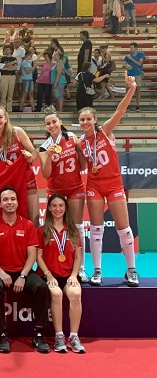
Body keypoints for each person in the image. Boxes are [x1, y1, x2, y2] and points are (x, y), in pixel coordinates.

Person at [77, 72, 139, 287]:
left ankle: (131, 270)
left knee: (124, 228)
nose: (85, 122)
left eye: (88, 119)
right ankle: (97, 271)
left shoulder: (105, 132)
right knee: (96, 229)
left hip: (113, 184)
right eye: (82, 120)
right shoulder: (80, 143)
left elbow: (120, 110)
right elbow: (80, 163)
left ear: (95, 120)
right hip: (94, 185)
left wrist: (131, 89)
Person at [0, 186, 50, 353]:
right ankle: (2, 334)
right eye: (5, 200)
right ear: (0, 204)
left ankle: (38, 333)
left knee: (42, 287)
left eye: (13, 199)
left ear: (18, 202)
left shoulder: (27, 225)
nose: (10, 202)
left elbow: (32, 254)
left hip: (22, 271)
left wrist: (22, 275)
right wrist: (1, 273)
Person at [39, 112, 88, 282]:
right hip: (55, 191)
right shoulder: (44, 147)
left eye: (54, 121)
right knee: (52, 228)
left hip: (75, 187)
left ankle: (81, 268)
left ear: (60, 122)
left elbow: (83, 165)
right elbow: (46, 174)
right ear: (45, 127)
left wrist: (80, 150)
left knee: (77, 227)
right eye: (48, 123)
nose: (52, 125)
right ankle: (51, 267)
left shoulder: (72, 137)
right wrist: (49, 157)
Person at [36, 194, 85, 353]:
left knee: (75, 294)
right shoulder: (42, 230)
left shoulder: (73, 230)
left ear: (65, 208)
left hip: (68, 275)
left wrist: (74, 275)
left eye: (61, 206)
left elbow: (78, 257)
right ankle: (59, 336)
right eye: (54, 206)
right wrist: (48, 274)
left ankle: (74, 336)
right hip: (49, 275)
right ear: (49, 209)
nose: (58, 209)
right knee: (56, 294)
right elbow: (38, 257)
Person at [0, 106, 39, 225]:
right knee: (9, 219)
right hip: (6, 181)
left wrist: (30, 157)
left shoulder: (17, 132)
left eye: (0, 117)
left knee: (34, 221)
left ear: (6, 119)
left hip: (25, 178)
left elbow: (34, 153)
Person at [124, 42, 145, 111]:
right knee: (128, 91)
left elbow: (139, 64)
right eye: (130, 48)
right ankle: (127, 106)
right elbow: (123, 64)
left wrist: (131, 58)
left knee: (138, 90)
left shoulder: (141, 54)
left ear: (136, 48)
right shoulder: (127, 56)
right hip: (129, 74)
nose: (130, 49)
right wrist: (126, 66)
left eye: (132, 48)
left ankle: (137, 106)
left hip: (137, 74)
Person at [0, 45, 18, 113]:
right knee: (3, 93)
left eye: (8, 49)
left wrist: (6, 68)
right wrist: (9, 66)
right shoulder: (2, 58)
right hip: (4, 76)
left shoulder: (14, 58)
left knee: (10, 93)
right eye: (5, 49)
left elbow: (14, 68)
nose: (6, 51)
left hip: (12, 76)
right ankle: (3, 108)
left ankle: (9, 108)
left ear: (11, 50)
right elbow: (1, 67)